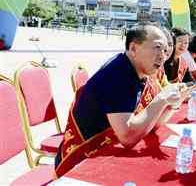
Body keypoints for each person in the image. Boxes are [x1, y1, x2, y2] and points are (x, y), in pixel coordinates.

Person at [55, 25, 188, 177]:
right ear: (133, 48)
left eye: (165, 51)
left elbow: (152, 125)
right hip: (82, 161)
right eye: (157, 47)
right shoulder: (118, 75)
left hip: (107, 151)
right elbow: (128, 137)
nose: (163, 56)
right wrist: (161, 99)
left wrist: (171, 103)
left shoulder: (139, 72)